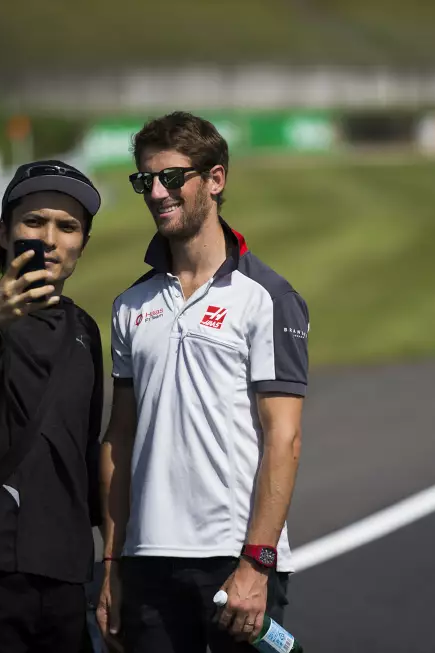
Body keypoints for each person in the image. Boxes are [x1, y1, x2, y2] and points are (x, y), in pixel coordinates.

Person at [96, 111, 310, 653]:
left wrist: (257, 563)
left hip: (235, 560)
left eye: (172, 177)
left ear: (215, 180)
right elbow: (118, 441)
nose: (156, 193)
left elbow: (283, 440)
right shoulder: (128, 306)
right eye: (145, 180)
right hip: (147, 565)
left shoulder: (268, 297)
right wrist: (112, 566)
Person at [0, 160, 107, 653]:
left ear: (82, 244)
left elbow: (85, 453)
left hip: (68, 577)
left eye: (67, 226)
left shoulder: (84, 331)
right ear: (4, 232)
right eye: (34, 221)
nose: (49, 238)